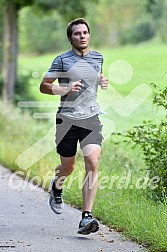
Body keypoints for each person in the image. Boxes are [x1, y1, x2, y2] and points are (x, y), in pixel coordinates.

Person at [39, 18, 108, 235]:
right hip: (67, 120)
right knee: (68, 168)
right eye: (77, 33)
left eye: (85, 32)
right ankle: (56, 186)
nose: (82, 36)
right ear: (71, 38)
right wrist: (66, 89)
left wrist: (101, 81)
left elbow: (94, 76)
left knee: (92, 162)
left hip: (91, 118)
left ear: (89, 35)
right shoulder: (61, 61)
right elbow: (44, 86)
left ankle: (86, 217)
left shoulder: (98, 57)